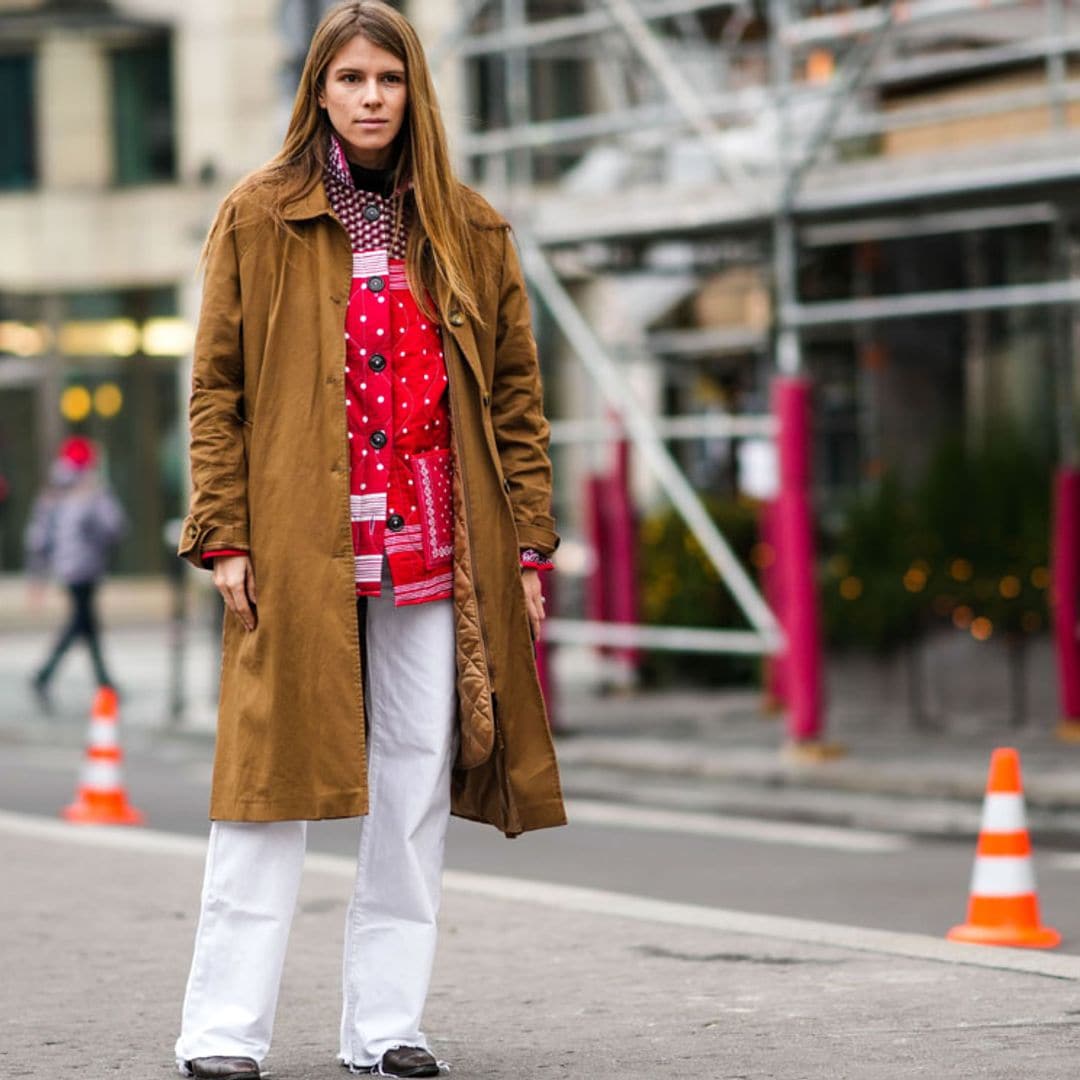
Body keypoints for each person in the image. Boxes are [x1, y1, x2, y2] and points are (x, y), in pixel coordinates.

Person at [173, 3, 565, 1078]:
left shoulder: (470, 229)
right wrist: (224, 535)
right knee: (269, 787)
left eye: (388, 77)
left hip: (437, 549)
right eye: (350, 77)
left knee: (411, 787)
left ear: (414, 89)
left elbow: (519, 403)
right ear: (320, 90)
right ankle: (221, 1035)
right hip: (300, 545)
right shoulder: (258, 215)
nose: (371, 96)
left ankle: (387, 1026)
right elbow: (217, 390)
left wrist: (529, 546)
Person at [25, 435, 126, 707]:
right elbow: (114, 526)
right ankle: (46, 675)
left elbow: (38, 537)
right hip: (86, 569)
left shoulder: (53, 490)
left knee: (86, 625)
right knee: (81, 624)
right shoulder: (91, 489)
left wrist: (38, 576)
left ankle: (104, 684)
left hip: (65, 570)